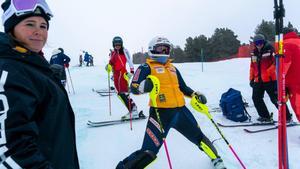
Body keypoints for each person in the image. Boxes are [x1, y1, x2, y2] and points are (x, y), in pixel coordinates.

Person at [116, 36, 226, 169]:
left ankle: (216, 158)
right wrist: (145, 86)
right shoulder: (146, 67)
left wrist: (195, 94)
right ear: (152, 49)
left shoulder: (173, 68)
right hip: (160, 115)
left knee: (199, 138)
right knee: (149, 152)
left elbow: (183, 88)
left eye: (166, 49)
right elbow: (134, 87)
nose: (163, 52)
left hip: (181, 112)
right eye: (160, 49)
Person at [0, 0, 79, 168]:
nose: (38, 31)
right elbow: (12, 149)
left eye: (43, 26)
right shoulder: (10, 70)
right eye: (30, 24)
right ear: (11, 29)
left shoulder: (33, 65)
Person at [250, 34, 292, 122]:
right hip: (258, 80)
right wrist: (251, 79)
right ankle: (265, 116)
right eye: (257, 43)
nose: (259, 45)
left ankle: (287, 117)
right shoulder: (254, 53)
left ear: (264, 42)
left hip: (270, 80)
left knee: (276, 99)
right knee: (256, 98)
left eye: (260, 42)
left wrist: (268, 72)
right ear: (254, 44)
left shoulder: (270, 50)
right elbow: (252, 67)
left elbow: (276, 63)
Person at [106, 36, 143, 119]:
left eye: (119, 44)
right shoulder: (113, 53)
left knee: (123, 93)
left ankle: (133, 110)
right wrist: (108, 66)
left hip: (122, 74)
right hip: (116, 75)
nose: (118, 46)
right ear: (113, 45)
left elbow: (130, 61)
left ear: (121, 44)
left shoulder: (125, 51)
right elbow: (111, 62)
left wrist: (132, 72)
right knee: (120, 94)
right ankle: (132, 109)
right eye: (116, 45)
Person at [282, 28, 300, 121]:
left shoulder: (286, 44)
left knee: (298, 108)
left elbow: (284, 65)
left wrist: (280, 82)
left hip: (296, 84)